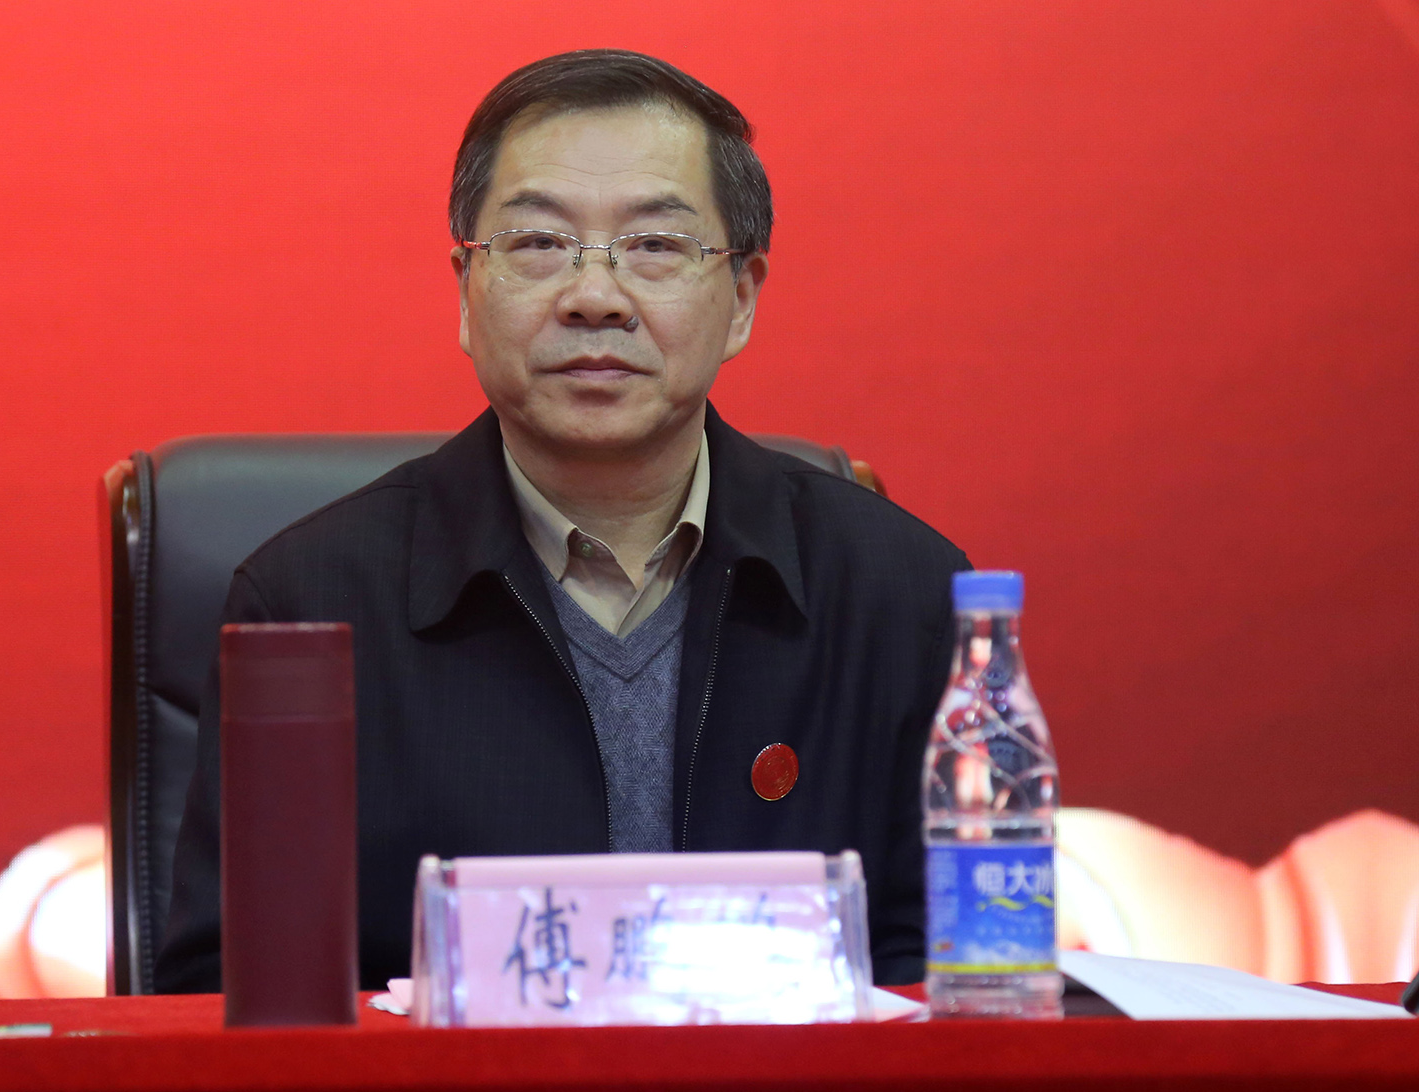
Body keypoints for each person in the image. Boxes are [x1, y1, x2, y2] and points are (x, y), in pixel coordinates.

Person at [156, 49, 968, 993]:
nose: (594, 298)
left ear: (742, 299)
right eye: (538, 244)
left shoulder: (902, 596)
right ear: (466, 290)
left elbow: (957, 979)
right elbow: (227, 992)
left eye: (656, 246)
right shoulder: (310, 603)